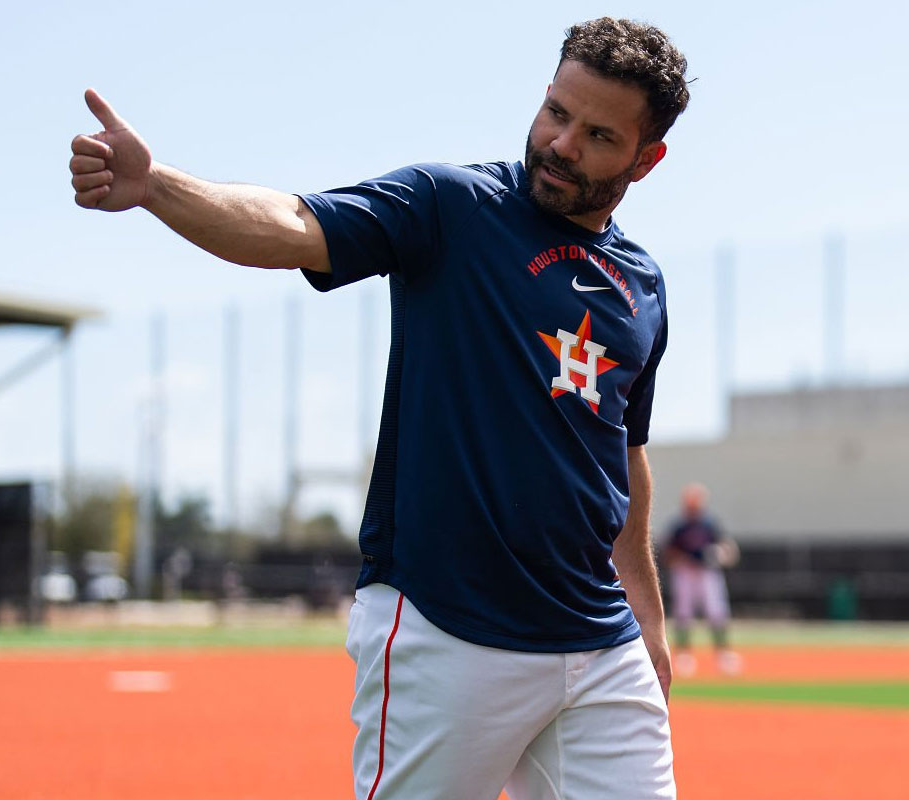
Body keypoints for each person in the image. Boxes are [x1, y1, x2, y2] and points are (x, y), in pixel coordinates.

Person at [70, 16, 689, 799]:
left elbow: (622, 454)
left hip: (599, 642)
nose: (561, 144)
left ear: (646, 158)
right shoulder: (452, 207)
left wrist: (649, 617)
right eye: (556, 112)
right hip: (448, 628)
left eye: (598, 135)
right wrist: (156, 186)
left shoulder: (644, 284)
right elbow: (294, 224)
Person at [664, 482, 741, 676]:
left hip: (707, 572)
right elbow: (669, 553)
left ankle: (723, 655)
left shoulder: (709, 524)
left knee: (717, 612)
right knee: (683, 613)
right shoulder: (679, 526)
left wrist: (719, 554)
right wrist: (686, 559)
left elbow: (727, 548)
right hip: (685, 572)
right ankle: (684, 656)